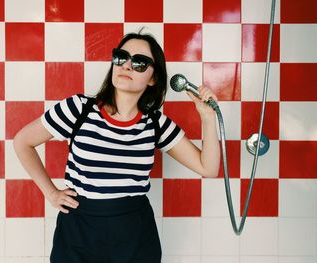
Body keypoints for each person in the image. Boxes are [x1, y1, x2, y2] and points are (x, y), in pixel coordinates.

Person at [13, 31, 220, 263]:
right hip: (78, 233)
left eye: (140, 62)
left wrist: (208, 118)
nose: (127, 65)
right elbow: (23, 141)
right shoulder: (78, 109)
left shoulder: (155, 123)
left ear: (153, 78)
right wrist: (50, 192)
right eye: (121, 57)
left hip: (134, 237)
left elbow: (208, 168)